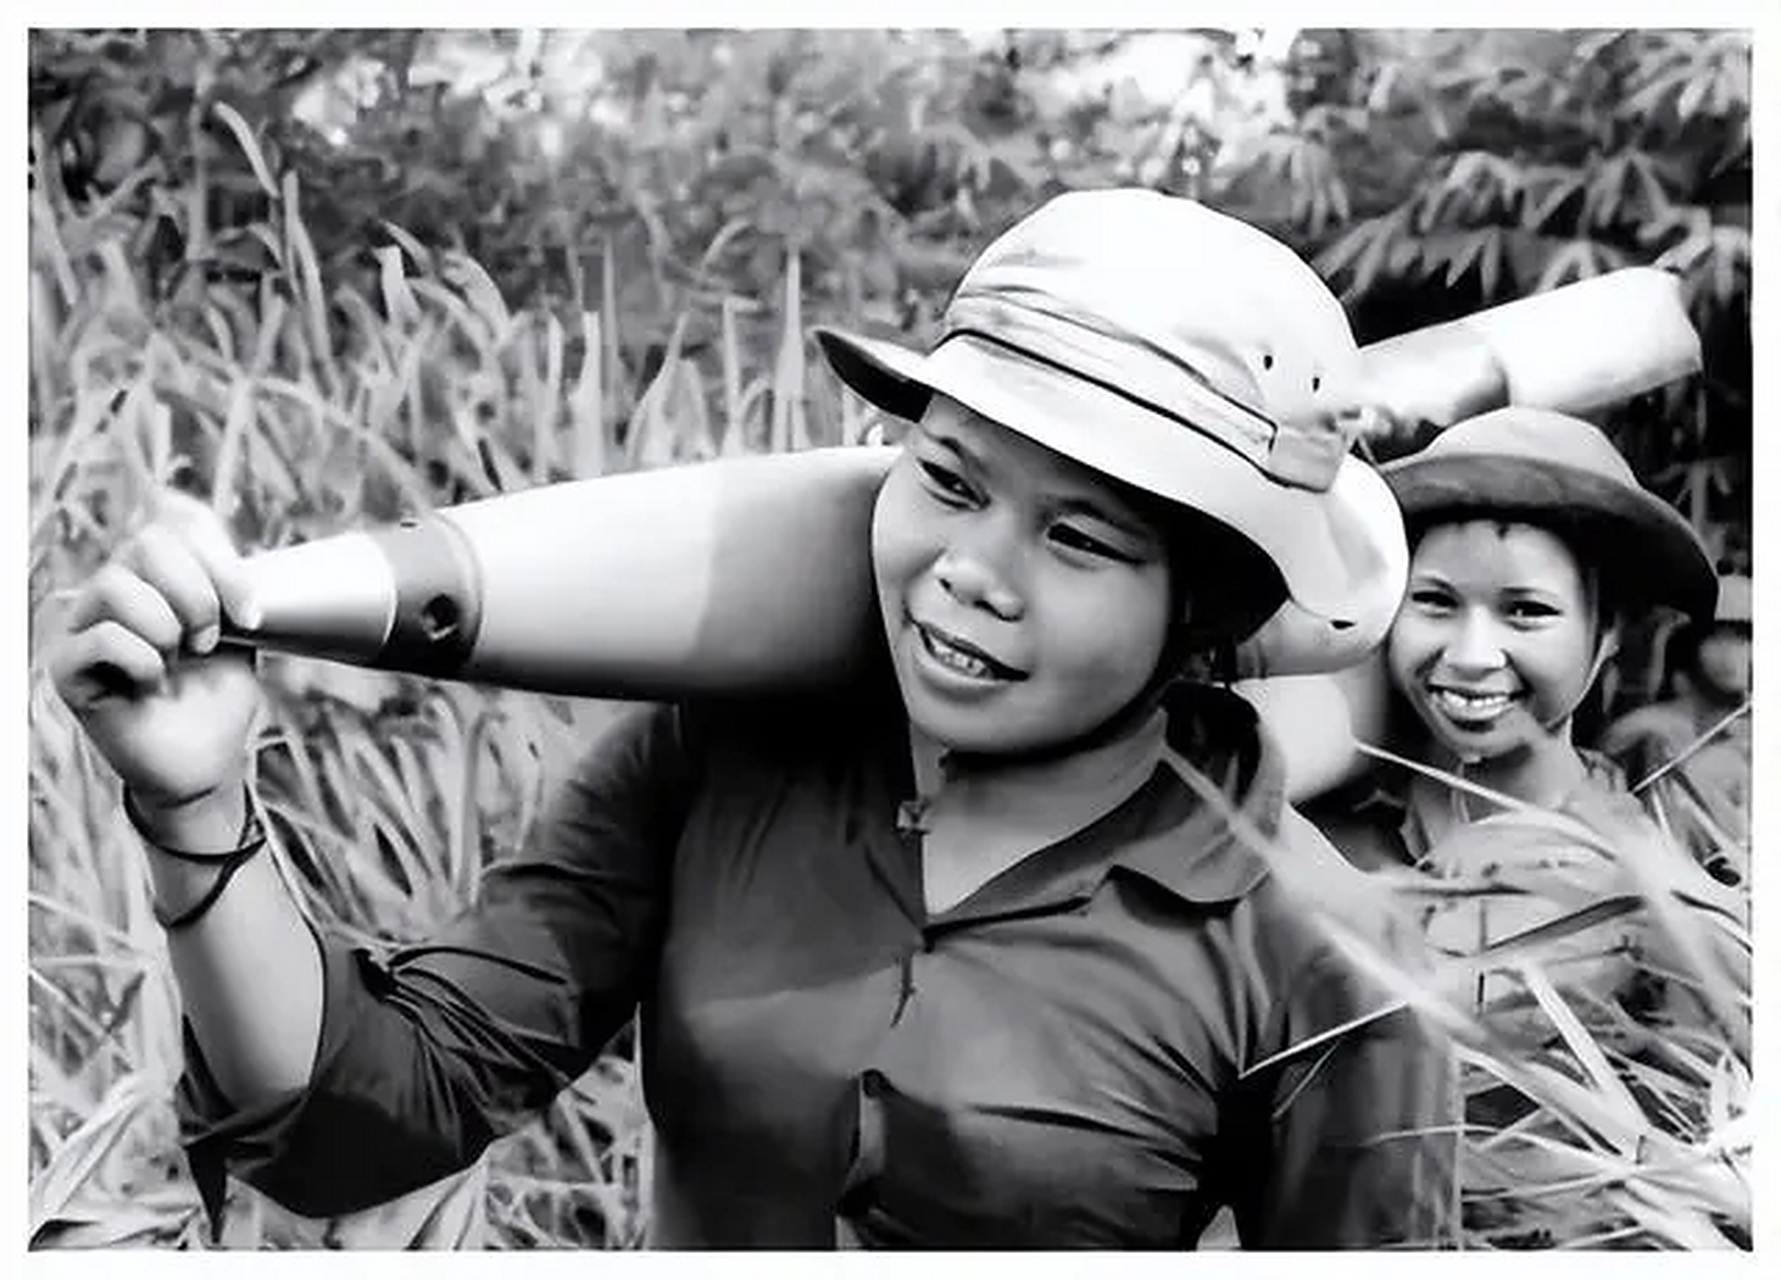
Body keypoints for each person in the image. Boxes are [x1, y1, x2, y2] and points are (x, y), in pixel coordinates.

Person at [50, 189, 1456, 1249]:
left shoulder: (1325, 965)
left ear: (1201, 612)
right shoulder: (716, 756)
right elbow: (366, 1120)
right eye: (949, 482)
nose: (973, 572)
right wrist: (193, 810)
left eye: (1078, 539)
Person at [1295, 407, 1728, 1037]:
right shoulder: (1330, 814)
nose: (1470, 657)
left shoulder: (1641, 894)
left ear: (1610, 632)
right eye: (1436, 602)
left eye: (1525, 611)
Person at [1599, 573, 1751, 884]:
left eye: (1745, 638)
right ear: (1689, 643)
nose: (1733, 654)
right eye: (1718, 637)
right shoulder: (1645, 731)